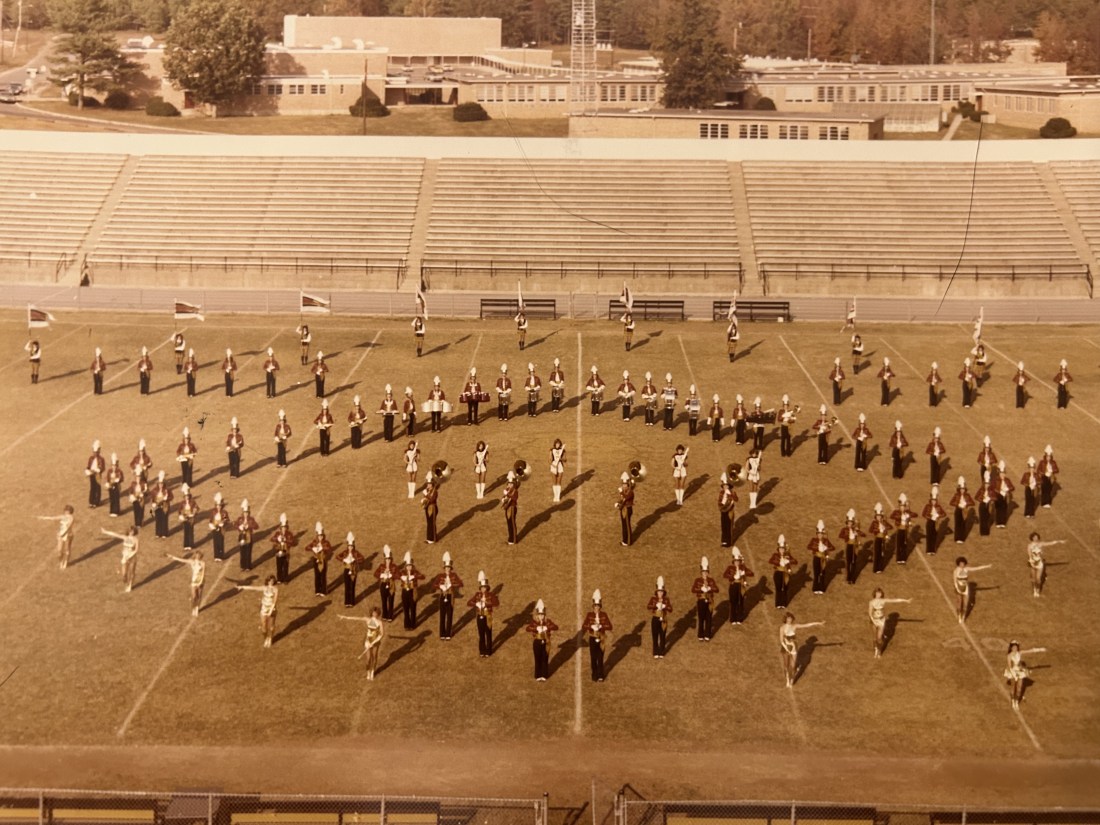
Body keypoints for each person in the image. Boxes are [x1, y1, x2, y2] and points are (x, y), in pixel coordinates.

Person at [779, 613, 825, 688]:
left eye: (790, 618)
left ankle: (791, 680)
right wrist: (787, 648)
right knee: (786, 666)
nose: (789, 620)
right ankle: (787, 679)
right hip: (785, 648)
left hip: (793, 648)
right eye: (788, 618)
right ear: (785, 619)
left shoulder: (795, 626)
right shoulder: (782, 628)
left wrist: (818, 623)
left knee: (793, 666)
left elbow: (806, 625)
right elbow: (781, 640)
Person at [340, 607, 385, 679]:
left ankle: (372, 672)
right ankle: (368, 672)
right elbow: (357, 618)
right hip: (368, 642)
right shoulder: (368, 620)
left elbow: (382, 634)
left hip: (375, 642)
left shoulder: (380, 622)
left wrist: (375, 641)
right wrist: (346, 617)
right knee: (368, 659)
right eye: (373, 613)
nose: (374, 614)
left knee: (374, 657)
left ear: (378, 614)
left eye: (376, 613)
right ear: (371, 613)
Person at [235, 576, 279, 648]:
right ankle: (266, 638)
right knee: (263, 625)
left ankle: (270, 638)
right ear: (267, 581)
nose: (271, 582)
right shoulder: (264, 588)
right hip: (264, 608)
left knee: (271, 626)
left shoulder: (275, 589)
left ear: (274, 582)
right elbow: (253, 588)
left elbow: (275, 601)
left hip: (272, 609)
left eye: (272, 581)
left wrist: (271, 610)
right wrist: (242, 587)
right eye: (270, 581)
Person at [868, 588, 912, 659]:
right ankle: (876, 649)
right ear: (875, 593)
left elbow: (894, 600)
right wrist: (873, 621)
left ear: (881, 594)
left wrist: (905, 600)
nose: (878, 595)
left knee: (879, 638)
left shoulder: (883, 600)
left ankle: (879, 651)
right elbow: (870, 613)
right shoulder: (871, 602)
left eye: (880, 593)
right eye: (877, 593)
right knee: (874, 638)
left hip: (881, 621)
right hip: (874, 621)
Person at [1005, 641, 1046, 709]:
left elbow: (1030, 651)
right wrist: (1014, 675)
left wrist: (1040, 649)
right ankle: (1013, 701)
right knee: (1013, 688)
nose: (1015, 648)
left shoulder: (1019, 653)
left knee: (1019, 688)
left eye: (1016, 647)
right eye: (1013, 647)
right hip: (1012, 672)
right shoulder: (1009, 656)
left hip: (1020, 672)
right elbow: (1009, 667)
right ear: (1011, 648)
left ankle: (1016, 701)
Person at [164, 550, 205, 617]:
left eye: (199, 555)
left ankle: (197, 607)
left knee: (199, 596)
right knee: (194, 596)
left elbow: (203, 573)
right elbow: (181, 560)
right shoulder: (191, 561)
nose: (198, 556)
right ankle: (193, 608)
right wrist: (172, 557)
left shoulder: (203, 563)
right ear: (195, 556)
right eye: (197, 555)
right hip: (194, 581)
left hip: (201, 581)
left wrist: (200, 582)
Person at [953, 556, 992, 623]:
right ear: (958, 564)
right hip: (959, 588)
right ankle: (959, 615)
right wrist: (957, 587)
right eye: (961, 563)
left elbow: (977, 568)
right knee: (959, 602)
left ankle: (963, 616)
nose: (962, 565)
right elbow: (954, 580)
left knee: (965, 603)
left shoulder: (966, 569)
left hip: (965, 588)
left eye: (963, 563)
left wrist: (987, 566)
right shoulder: (956, 571)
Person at [468, 571, 499, 657]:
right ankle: (482, 651)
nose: (483, 589)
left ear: (487, 588)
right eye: (482, 587)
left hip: (487, 616)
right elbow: (469, 603)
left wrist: (486, 604)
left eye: (484, 587)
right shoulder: (477, 595)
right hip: (479, 616)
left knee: (488, 634)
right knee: (481, 634)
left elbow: (496, 603)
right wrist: (476, 604)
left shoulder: (491, 595)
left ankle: (488, 651)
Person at [584, 590, 613, 681]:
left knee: (600, 657)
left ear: (600, 606)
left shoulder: (604, 615)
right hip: (592, 638)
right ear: (593, 606)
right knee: (593, 657)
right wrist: (591, 626)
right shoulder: (589, 615)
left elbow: (610, 626)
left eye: (598, 606)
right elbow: (584, 626)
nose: (597, 607)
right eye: (595, 606)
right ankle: (594, 674)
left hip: (601, 638)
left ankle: (600, 675)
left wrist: (601, 626)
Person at [526, 600, 558, 681]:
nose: (541, 616)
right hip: (537, 642)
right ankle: (538, 675)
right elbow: (527, 628)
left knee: (545, 658)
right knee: (537, 658)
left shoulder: (547, 621)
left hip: (546, 641)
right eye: (540, 615)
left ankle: (544, 675)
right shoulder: (534, 622)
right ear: (537, 615)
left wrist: (548, 627)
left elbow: (556, 627)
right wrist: (536, 628)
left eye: (542, 615)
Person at [103, 526, 140, 593]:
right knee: (124, 574)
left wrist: (130, 556)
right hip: (125, 557)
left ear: (134, 532)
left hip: (132, 557)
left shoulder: (136, 540)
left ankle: (130, 586)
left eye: (132, 531)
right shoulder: (125, 537)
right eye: (130, 531)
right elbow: (115, 534)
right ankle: (127, 583)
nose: (131, 532)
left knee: (132, 572)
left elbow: (136, 550)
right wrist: (105, 532)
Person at [1026, 532, 1064, 597]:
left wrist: (1058, 541)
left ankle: (1038, 590)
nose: (1036, 538)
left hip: (1039, 564)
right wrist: (1031, 560)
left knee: (1038, 579)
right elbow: (1029, 554)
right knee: (1033, 579)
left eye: (1037, 537)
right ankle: (1034, 589)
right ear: (1032, 538)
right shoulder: (1030, 546)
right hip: (1033, 563)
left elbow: (1049, 543)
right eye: (1034, 537)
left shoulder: (1041, 544)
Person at [39, 505, 76, 570]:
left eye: (66, 510)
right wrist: (43, 518)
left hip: (68, 535)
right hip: (60, 535)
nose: (65, 512)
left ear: (69, 511)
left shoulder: (71, 518)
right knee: (59, 550)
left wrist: (64, 534)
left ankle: (65, 562)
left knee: (67, 549)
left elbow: (69, 527)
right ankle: (61, 562)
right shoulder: (62, 516)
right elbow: (53, 518)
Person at [723, 548, 754, 625]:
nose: (737, 562)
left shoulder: (742, 567)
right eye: (735, 561)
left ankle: (739, 618)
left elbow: (751, 573)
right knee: (733, 602)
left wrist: (744, 572)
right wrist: (732, 577)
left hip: (740, 586)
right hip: (733, 585)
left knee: (740, 602)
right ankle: (733, 619)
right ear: (733, 562)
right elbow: (725, 575)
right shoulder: (730, 568)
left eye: (738, 561)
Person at [690, 557, 717, 641]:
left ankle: (707, 634)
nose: (705, 573)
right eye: (703, 572)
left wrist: (710, 588)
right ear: (701, 573)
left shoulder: (711, 580)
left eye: (706, 572)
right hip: (701, 600)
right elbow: (693, 590)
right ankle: (700, 634)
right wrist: (700, 589)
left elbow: (716, 589)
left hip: (709, 601)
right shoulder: (698, 580)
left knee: (709, 617)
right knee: (701, 618)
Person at [398, 551, 424, 630]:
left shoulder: (415, 572)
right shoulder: (402, 572)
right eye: (407, 566)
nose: (409, 567)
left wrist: (414, 576)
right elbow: (396, 575)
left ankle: (413, 624)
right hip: (405, 592)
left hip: (412, 592)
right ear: (405, 566)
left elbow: (422, 576)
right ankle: (407, 625)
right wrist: (401, 577)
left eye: (410, 566)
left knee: (413, 609)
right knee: (406, 609)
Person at [808, 520, 835, 594]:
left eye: (821, 534)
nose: (820, 535)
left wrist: (826, 548)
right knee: (816, 573)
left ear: (823, 534)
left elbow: (832, 548)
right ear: (817, 534)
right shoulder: (814, 540)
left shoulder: (826, 541)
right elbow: (809, 546)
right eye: (818, 534)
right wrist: (816, 548)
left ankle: (821, 588)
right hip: (816, 558)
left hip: (823, 559)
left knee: (822, 573)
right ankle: (815, 588)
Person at [646, 577, 672, 658]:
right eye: (659, 592)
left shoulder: (666, 600)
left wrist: (665, 606)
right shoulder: (653, 599)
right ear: (656, 592)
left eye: (661, 592)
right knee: (655, 636)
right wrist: (655, 606)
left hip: (663, 619)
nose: (660, 593)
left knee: (662, 635)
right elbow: (648, 606)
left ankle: (662, 651)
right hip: (655, 618)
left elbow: (670, 609)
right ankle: (655, 652)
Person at [306, 522, 332, 597]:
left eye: (321, 536)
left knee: (323, 575)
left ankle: (323, 591)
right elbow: (307, 548)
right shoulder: (314, 542)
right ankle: (317, 590)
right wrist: (313, 548)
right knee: (317, 575)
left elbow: (329, 549)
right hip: (316, 560)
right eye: (319, 536)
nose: (320, 537)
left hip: (323, 560)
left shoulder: (326, 542)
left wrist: (322, 548)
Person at [769, 536, 797, 609]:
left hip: (785, 574)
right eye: (780, 549)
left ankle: (783, 603)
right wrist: (779, 562)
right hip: (778, 573)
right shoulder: (775, 555)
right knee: (778, 588)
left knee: (785, 588)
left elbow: (795, 562)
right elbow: (771, 561)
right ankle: (778, 603)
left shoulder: (787, 556)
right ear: (778, 549)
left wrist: (788, 560)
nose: (782, 550)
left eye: (783, 549)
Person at [338, 533, 364, 608]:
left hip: (353, 570)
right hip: (346, 569)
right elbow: (338, 556)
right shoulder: (345, 552)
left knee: (352, 585)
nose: (350, 548)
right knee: (347, 586)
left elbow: (362, 558)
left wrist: (355, 559)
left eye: (351, 546)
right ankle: (347, 602)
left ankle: (352, 602)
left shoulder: (355, 553)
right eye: (349, 546)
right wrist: (344, 559)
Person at [839, 509, 864, 584]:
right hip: (849, 546)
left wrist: (858, 531)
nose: (849, 524)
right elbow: (840, 535)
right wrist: (847, 536)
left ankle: (852, 578)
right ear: (847, 523)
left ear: (852, 523)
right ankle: (848, 577)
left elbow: (863, 534)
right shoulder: (844, 529)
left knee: (853, 563)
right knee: (848, 562)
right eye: (848, 523)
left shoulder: (855, 529)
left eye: (851, 523)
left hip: (854, 547)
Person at [374, 544, 398, 621]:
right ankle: (384, 615)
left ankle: (390, 616)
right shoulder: (381, 566)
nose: (388, 561)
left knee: (391, 601)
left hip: (391, 585)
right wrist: (382, 575)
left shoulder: (394, 566)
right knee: (384, 601)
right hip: (383, 584)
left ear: (391, 559)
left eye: (389, 559)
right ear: (384, 560)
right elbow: (375, 574)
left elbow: (399, 575)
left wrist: (392, 575)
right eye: (386, 560)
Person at [271, 512, 296, 584]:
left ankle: (285, 579)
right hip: (279, 552)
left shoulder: (289, 534)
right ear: (280, 527)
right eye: (282, 527)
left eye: (285, 527)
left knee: (285, 566)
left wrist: (286, 540)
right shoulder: (277, 533)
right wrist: (277, 539)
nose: (284, 529)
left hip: (286, 552)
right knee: (279, 566)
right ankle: (279, 579)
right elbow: (272, 539)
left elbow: (293, 542)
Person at [891, 493, 915, 565]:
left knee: (904, 544)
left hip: (905, 530)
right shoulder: (896, 512)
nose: (902, 508)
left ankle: (903, 558)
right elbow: (892, 516)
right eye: (901, 507)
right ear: (899, 506)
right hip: (899, 530)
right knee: (899, 544)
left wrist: (908, 516)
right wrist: (901, 516)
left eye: (904, 507)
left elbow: (915, 515)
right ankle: (899, 558)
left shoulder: (907, 513)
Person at [922, 484, 946, 555]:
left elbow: (944, 514)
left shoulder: (938, 507)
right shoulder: (927, 506)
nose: (933, 502)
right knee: (929, 536)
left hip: (935, 522)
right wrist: (931, 517)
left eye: (935, 501)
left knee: (934, 536)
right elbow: (924, 514)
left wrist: (938, 516)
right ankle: (928, 550)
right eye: (932, 500)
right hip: (929, 522)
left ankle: (933, 550)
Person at [950, 476, 975, 544]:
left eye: (963, 489)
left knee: (963, 524)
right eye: (961, 489)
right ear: (959, 489)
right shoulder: (956, 495)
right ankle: (957, 538)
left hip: (964, 510)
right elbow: (951, 502)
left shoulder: (967, 495)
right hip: (958, 510)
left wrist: (966, 504)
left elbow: (972, 503)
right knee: (957, 524)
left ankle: (961, 538)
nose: (962, 490)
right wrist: (958, 504)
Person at [235, 499, 258, 571]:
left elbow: (256, 526)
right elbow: (235, 524)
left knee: (248, 552)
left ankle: (248, 566)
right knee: (242, 552)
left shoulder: (251, 519)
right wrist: (239, 527)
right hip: (241, 536)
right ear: (243, 512)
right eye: (245, 512)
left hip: (248, 537)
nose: (246, 514)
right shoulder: (240, 519)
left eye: (247, 512)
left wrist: (249, 526)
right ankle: (243, 566)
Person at [151, 470, 173, 540]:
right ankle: (158, 533)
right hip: (157, 506)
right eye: (160, 484)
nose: (161, 485)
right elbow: (152, 497)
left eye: (162, 483)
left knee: (164, 519)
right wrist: (153, 503)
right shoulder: (154, 490)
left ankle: (164, 533)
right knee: (158, 519)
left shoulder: (167, 490)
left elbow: (171, 497)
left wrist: (167, 499)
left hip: (164, 506)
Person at [868, 503, 890, 573]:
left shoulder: (884, 522)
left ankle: (880, 568)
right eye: (877, 516)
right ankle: (875, 568)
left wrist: (885, 528)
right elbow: (870, 530)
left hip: (882, 539)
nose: (879, 517)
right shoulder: (874, 523)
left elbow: (890, 527)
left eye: (880, 516)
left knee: (881, 553)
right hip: (877, 539)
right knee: (877, 553)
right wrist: (878, 530)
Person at [207, 491, 228, 562]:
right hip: (214, 528)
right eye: (217, 506)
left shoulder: (224, 512)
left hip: (221, 529)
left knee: (220, 541)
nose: (218, 507)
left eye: (220, 506)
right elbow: (210, 519)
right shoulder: (213, 512)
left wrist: (223, 522)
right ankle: (216, 556)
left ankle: (221, 555)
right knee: (215, 542)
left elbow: (227, 519)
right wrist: (211, 525)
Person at [975, 472, 998, 537]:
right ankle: (982, 532)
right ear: (984, 484)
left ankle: (986, 531)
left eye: (988, 484)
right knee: (982, 518)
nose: (987, 485)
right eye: (986, 484)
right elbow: (976, 497)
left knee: (987, 518)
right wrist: (982, 498)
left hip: (988, 505)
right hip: (982, 505)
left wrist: (991, 499)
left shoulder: (991, 491)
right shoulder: (981, 490)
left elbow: (995, 497)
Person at [177, 483, 198, 551]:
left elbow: (196, 508)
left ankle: (191, 544)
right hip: (185, 518)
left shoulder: (193, 502)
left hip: (191, 518)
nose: (187, 497)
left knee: (190, 531)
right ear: (184, 497)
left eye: (188, 496)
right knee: (186, 531)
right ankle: (186, 545)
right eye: (186, 496)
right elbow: (179, 510)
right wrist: (181, 515)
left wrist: (193, 513)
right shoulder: (182, 503)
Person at [85, 440, 106, 509]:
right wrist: (87, 470)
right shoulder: (91, 458)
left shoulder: (101, 459)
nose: (95, 454)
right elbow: (88, 466)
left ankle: (96, 502)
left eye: (96, 452)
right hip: (92, 474)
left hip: (97, 475)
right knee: (92, 487)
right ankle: (91, 501)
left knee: (97, 487)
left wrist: (97, 470)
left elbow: (102, 467)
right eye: (94, 452)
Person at [615, 473, 635, 546]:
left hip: (627, 509)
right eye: (623, 484)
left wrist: (621, 492)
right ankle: (624, 540)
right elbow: (622, 499)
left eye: (625, 484)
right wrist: (618, 503)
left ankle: (628, 541)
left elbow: (626, 497)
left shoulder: (630, 492)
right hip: (623, 509)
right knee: (624, 526)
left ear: (628, 485)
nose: (623, 486)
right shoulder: (624, 491)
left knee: (627, 525)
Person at [501, 470, 520, 545]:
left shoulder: (515, 491)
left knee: (512, 523)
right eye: (508, 483)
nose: (509, 485)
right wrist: (503, 499)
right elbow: (505, 497)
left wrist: (507, 495)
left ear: (513, 484)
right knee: (509, 524)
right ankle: (510, 539)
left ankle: (514, 540)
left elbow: (514, 498)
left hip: (512, 507)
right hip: (508, 508)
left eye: (511, 484)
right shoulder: (508, 490)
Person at [994, 460, 1014, 528]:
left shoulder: (1007, 480)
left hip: (1004, 496)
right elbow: (993, 488)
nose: (1002, 475)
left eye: (1003, 473)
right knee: (998, 509)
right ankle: (998, 522)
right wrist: (998, 491)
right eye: (1001, 473)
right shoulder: (996, 480)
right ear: (999, 474)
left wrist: (1007, 489)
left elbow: (1012, 487)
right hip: (998, 496)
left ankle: (1003, 522)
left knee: (1004, 509)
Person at [717, 475, 737, 548]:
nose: (725, 487)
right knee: (723, 525)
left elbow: (736, 499)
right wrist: (721, 507)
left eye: (726, 485)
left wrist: (732, 495)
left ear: (729, 486)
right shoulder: (721, 492)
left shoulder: (731, 492)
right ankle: (724, 540)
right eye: (724, 485)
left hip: (729, 511)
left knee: (728, 526)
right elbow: (719, 501)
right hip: (723, 511)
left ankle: (729, 541)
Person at [1037, 445, 1059, 509]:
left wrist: (1052, 471)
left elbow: (1057, 470)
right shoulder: (1042, 462)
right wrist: (1043, 472)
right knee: (1044, 490)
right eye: (1047, 456)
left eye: (1049, 456)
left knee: (1049, 490)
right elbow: (1038, 470)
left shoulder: (1053, 463)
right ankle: (1044, 502)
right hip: (1044, 477)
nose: (1048, 458)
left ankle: (1048, 502)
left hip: (1050, 478)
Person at [422, 473, 439, 544]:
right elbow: (426, 499)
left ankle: (433, 539)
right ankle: (429, 538)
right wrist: (423, 501)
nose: (428, 485)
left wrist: (426, 494)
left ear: (432, 484)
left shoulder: (435, 491)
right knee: (429, 523)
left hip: (433, 508)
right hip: (427, 508)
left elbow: (432, 500)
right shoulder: (428, 490)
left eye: (429, 484)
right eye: (428, 484)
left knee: (432, 523)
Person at [550, 438, 566, 503]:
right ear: (555, 444)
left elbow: (565, 459)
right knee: (554, 482)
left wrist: (561, 459)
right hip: (553, 466)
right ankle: (555, 496)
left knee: (559, 482)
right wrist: (553, 465)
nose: (557, 445)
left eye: (558, 444)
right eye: (556, 444)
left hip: (560, 466)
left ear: (560, 444)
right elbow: (549, 460)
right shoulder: (552, 450)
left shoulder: (563, 450)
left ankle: (558, 496)